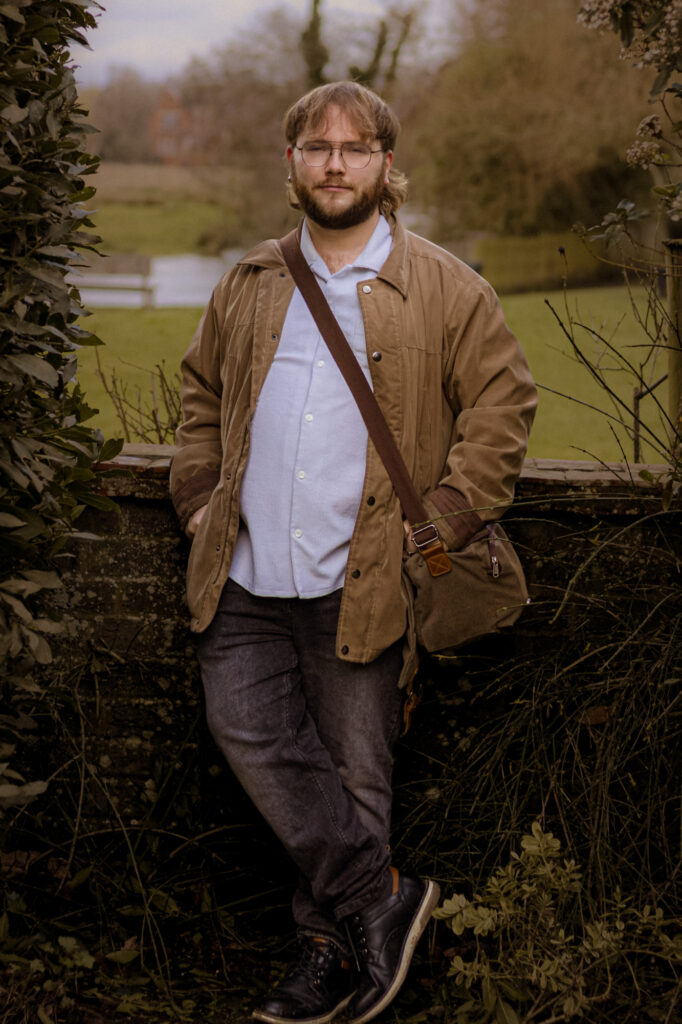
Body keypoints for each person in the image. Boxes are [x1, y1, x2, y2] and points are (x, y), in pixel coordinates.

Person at [170, 80, 537, 1024]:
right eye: (317, 147)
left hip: (362, 578)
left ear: (385, 164)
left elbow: (503, 404)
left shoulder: (446, 287)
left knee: (355, 773)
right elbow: (201, 394)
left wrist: (449, 509)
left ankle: (329, 956)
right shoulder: (252, 280)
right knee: (242, 727)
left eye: (355, 147)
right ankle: (381, 900)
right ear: (292, 162)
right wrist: (199, 500)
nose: (335, 164)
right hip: (244, 574)